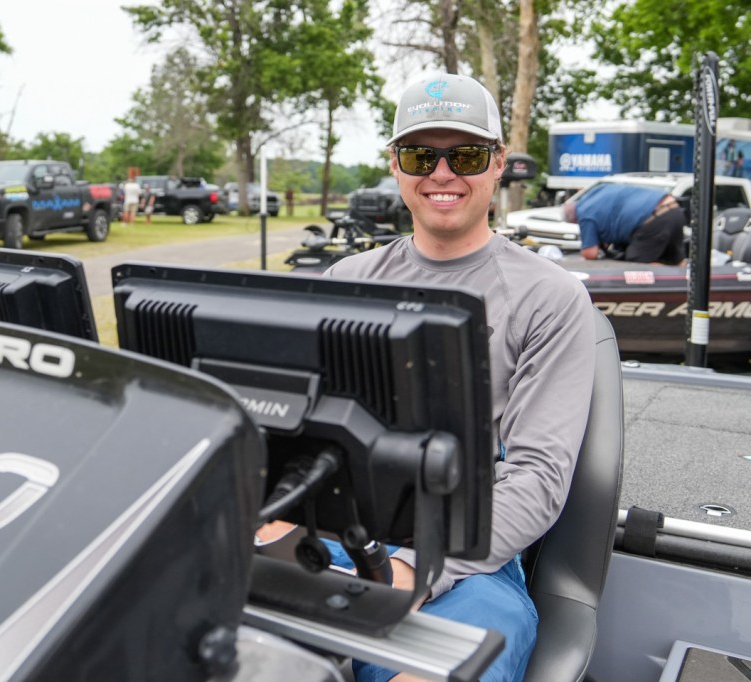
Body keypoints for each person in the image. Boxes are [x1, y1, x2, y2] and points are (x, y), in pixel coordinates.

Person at [261, 73, 595, 682]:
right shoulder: (346, 281)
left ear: (498, 165)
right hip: (333, 534)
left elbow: (538, 476)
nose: (442, 174)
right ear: (395, 164)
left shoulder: (549, 297)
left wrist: (414, 568)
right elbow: (300, 430)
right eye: (421, 155)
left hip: (469, 562)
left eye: (465, 156)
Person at [562, 183, 686, 264]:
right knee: (674, 260)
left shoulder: (584, 214)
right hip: (674, 209)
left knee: (635, 263)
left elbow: (590, 253)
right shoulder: (596, 192)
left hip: (655, 218)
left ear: (574, 221)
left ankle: (664, 278)